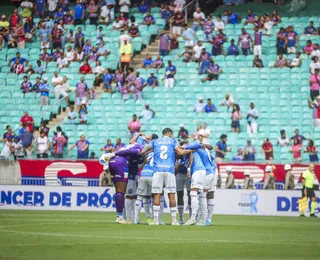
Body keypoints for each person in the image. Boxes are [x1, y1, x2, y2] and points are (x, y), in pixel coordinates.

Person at [141, 128, 191, 225]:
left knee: (156, 194)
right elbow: (180, 152)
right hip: (169, 170)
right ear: (170, 134)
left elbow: (143, 151)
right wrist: (191, 149)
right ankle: (174, 221)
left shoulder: (155, 141)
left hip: (157, 171)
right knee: (171, 194)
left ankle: (155, 221)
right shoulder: (173, 140)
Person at [183, 135, 215, 226]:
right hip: (210, 171)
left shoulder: (193, 147)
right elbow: (210, 150)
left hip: (207, 172)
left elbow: (193, 152)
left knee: (199, 195)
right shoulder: (204, 149)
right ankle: (203, 220)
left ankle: (196, 219)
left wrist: (185, 147)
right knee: (202, 196)